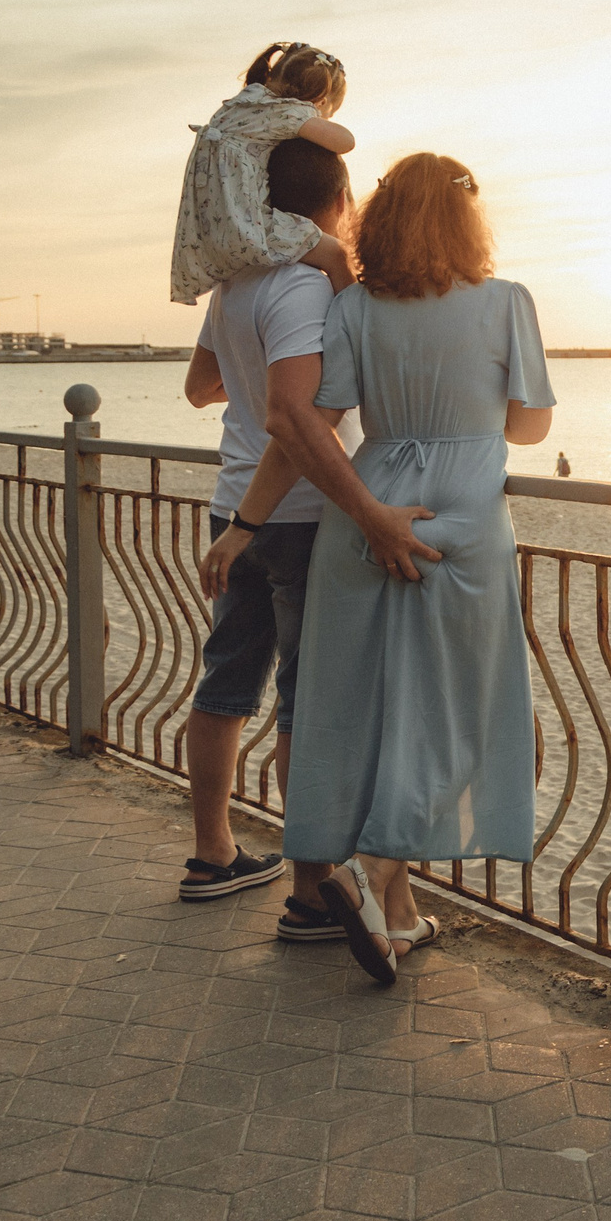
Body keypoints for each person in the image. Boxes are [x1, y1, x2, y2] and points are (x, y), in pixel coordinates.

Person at [219, 151, 554, 983]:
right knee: (446, 712)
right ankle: (384, 886)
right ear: (467, 221)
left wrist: (242, 525)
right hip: (462, 524)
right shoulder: (508, 302)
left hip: (363, 514)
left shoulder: (356, 309)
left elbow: (304, 428)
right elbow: (529, 429)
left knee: (366, 708)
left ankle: (391, 907)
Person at [175, 140, 426, 935]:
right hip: (297, 519)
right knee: (307, 706)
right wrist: (366, 509)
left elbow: (199, 388)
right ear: (336, 202)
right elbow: (299, 418)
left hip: (232, 506)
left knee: (225, 684)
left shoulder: (235, 284)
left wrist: (250, 375)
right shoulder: (305, 287)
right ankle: (313, 891)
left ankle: (212, 854)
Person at [170, 41, 360, 306]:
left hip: (217, 229)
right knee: (337, 255)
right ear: (320, 101)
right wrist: (319, 120)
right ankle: (354, 318)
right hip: (250, 228)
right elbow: (346, 141)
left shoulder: (240, 106)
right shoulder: (286, 113)